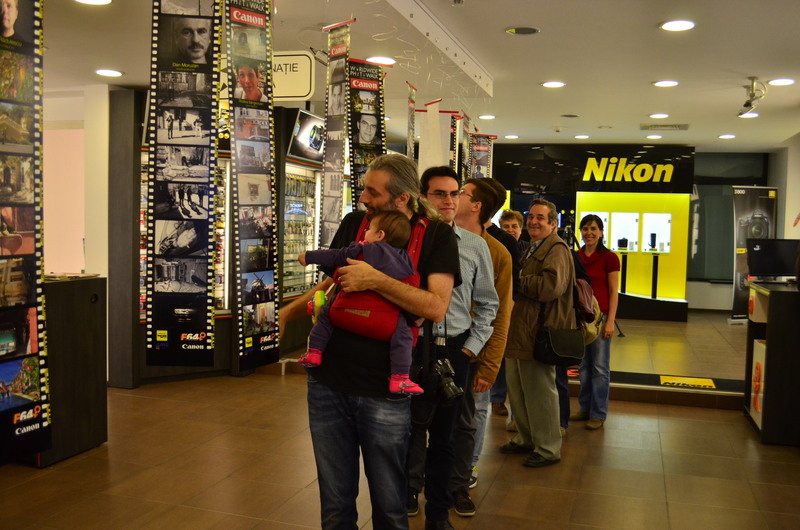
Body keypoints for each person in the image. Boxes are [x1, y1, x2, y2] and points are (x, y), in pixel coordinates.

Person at [279, 154, 460, 529]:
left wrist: (375, 280)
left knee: (390, 505)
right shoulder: (353, 223)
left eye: (372, 192)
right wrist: (286, 314)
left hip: (386, 389)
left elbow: (435, 307)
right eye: (363, 189)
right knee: (334, 503)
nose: (362, 198)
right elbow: (330, 284)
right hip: (328, 381)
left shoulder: (437, 235)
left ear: (402, 198)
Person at [407, 166, 498, 529]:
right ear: (422, 197)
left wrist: (469, 349)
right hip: (412, 348)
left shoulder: (475, 246)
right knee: (408, 430)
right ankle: (408, 491)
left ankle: (438, 512)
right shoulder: (408, 239)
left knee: (446, 436)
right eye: (439, 193)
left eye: (454, 193)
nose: (448, 200)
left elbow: (489, 305)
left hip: (455, 349)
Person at [296, 210, 424, 395]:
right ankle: (400, 378)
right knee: (404, 337)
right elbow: (410, 284)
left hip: (345, 312)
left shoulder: (362, 249)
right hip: (386, 323)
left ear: (380, 235)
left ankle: (314, 352)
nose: (365, 232)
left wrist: (308, 256)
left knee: (325, 316)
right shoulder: (405, 261)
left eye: (369, 229)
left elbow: (334, 256)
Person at [447, 177, 512, 517]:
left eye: (461, 193)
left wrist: (489, 365)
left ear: (476, 206)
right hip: (439, 347)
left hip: (473, 353)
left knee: (469, 420)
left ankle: (463, 478)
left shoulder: (497, 252)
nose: (453, 197)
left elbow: (499, 314)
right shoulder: (440, 237)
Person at [501, 198, 575, 468]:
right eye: (531, 216)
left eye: (540, 218)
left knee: (541, 393)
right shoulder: (533, 247)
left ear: (553, 224)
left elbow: (550, 287)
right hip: (520, 330)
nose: (533, 222)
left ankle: (547, 448)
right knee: (519, 389)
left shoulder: (556, 248)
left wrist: (518, 280)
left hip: (538, 332)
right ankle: (526, 438)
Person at [569, 214, 620, 430]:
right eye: (585, 229)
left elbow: (613, 292)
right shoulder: (575, 256)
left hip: (602, 318)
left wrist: (611, 322)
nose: (589, 233)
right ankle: (585, 408)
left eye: (593, 229)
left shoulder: (610, 258)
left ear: (601, 232)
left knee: (600, 367)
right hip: (582, 318)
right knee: (583, 367)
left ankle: (598, 413)